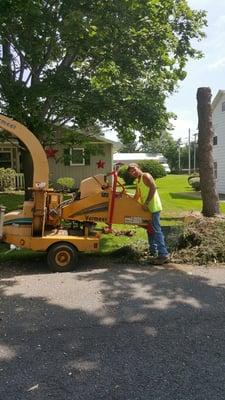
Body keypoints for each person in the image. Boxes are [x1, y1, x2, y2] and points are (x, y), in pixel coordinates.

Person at [127, 163, 170, 264]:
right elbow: (136, 196)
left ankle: (163, 254)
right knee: (150, 229)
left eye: (134, 169)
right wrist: (127, 203)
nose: (133, 172)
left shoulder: (145, 176)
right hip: (147, 209)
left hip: (153, 207)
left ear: (139, 168)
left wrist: (146, 203)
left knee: (156, 230)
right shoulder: (138, 181)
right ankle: (153, 251)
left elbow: (153, 187)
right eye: (131, 172)